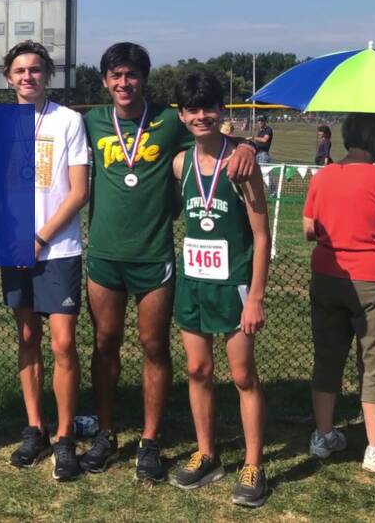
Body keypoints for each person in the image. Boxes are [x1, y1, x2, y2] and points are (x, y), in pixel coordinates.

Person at [81, 42, 257, 482]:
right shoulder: (91, 121)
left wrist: (248, 145)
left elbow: (212, 136)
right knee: (104, 345)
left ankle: (151, 440)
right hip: (103, 253)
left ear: (144, 79)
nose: (124, 83)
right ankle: (105, 432)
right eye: (116, 76)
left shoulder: (166, 120)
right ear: (105, 81)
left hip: (154, 253)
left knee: (154, 346)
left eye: (132, 75)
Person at [168, 72, 270, 507]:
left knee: (243, 375)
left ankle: (253, 463)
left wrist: (258, 297)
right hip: (193, 283)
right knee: (198, 371)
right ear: (182, 114)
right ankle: (207, 453)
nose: (201, 115)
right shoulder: (179, 163)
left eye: (209, 107)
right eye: (193, 109)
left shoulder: (241, 165)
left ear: (222, 112)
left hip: (234, 284)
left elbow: (262, 237)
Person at [303, 112, 375, 474]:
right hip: (374, 279)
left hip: (328, 273)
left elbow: (308, 229)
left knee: (328, 356)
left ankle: (323, 435)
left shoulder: (324, 175)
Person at [0, 41, 89, 481]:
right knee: (27, 336)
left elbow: (78, 191)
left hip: (58, 249)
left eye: (35, 69)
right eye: (19, 70)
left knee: (63, 344)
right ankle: (34, 428)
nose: (27, 76)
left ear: (47, 75)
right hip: (14, 249)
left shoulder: (68, 120)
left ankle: (66, 436)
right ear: (8, 77)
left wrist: (39, 238)